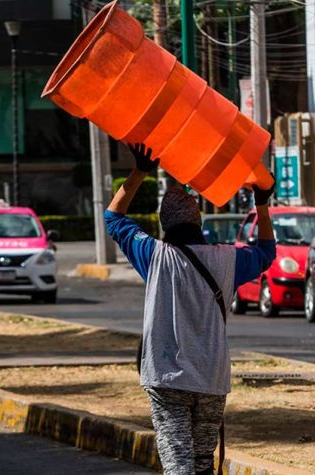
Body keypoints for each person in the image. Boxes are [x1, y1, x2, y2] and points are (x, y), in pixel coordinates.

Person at [105, 143, 276, 475]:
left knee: (178, 465)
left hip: (167, 380)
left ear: (165, 226)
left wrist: (140, 171)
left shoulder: (153, 256)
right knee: (201, 465)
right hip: (211, 379)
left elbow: (113, 218)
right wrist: (262, 204)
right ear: (198, 222)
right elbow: (267, 251)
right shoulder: (228, 259)